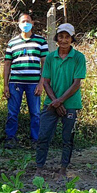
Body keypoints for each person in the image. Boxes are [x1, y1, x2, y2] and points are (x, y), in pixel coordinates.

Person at [35, 24, 86, 180]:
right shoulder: (50, 57)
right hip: (51, 103)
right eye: (61, 36)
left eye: (67, 37)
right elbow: (46, 82)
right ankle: (39, 168)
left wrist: (60, 101)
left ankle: (63, 169)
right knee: (43, 136)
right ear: (56, 38)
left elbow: (76, 83)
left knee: (67, 139)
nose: (64, 40)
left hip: (70, 104)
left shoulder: (79, 58)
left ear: (72, 39)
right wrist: (55, 102)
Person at [3, 12, 48, 149]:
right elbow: (7, 64)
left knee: (35, 113)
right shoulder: (12, 43)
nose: (25, 24)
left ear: (33, 23)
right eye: (23, 21)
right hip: (15, 83)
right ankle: (10, 138)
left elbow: (45, 64)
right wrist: (5, 85)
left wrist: (41, 83)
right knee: (12, 112)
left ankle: (35, 139)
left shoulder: (41, 41)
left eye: (28, 21)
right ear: (18, 24)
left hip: (34, 83)